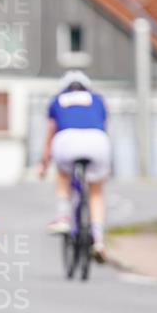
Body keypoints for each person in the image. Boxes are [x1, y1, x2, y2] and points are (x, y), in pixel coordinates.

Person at [37, 69, 112, 263]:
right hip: (98, 142)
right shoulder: (97, 99)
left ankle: (63, 217)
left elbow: (50, 137)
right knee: (96, 191)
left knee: (63, 175)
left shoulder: (57, 100)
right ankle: (98, 240)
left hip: (67, 141)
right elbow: (103, 127)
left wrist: (44, 164)